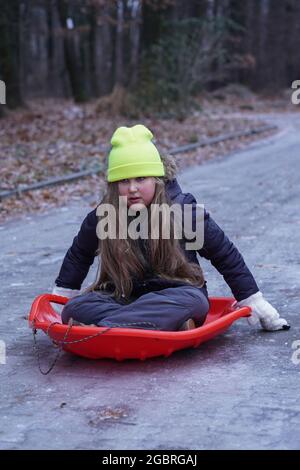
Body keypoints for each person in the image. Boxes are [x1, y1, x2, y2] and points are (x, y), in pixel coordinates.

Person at [52, 124, 290, 332]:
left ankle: (106, 329)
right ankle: (147, 324)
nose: (132, 188)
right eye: (124, 181)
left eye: (141, 179)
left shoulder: (182, 210)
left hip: (176, 293)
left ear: (156, 179)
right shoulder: (107, 214)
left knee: (193, 303)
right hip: (125, 296)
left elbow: (224, 254)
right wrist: (62, 297)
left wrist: (252, 299)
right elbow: (79, 254)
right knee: (75, 308)